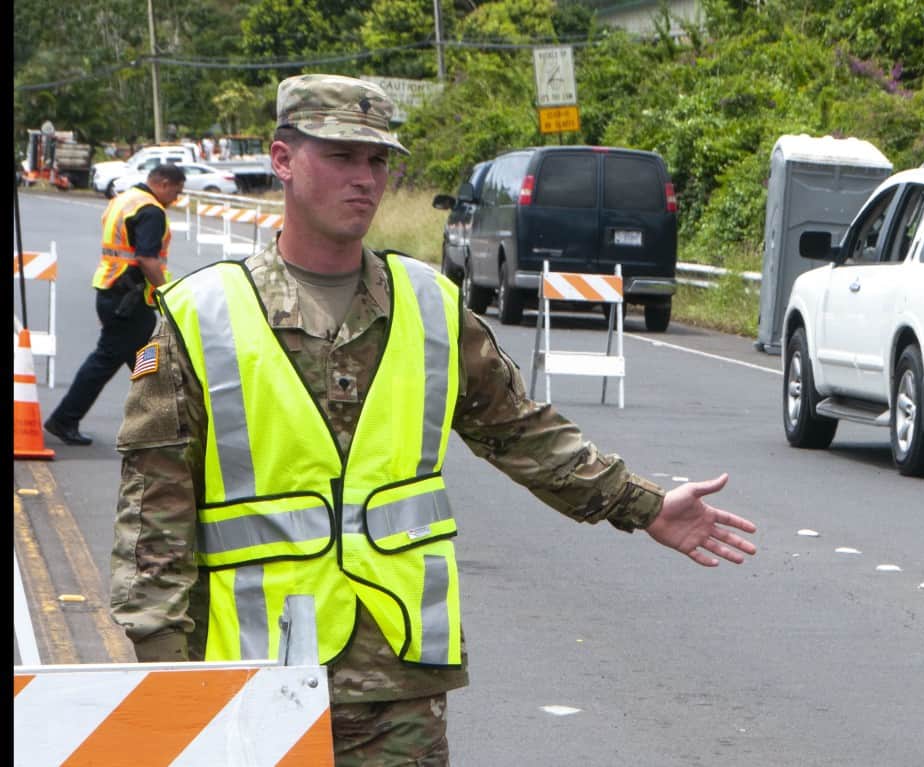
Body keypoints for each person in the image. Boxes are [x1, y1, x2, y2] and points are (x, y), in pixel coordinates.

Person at [109, 74, 758, 766]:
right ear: (282, 159)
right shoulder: (201, 315)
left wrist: (645, 504)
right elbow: (155, 523)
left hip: (398, 685)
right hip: (252, 677)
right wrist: (170, 686)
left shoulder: (429, 306)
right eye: (340, 157)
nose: (365, 179)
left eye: (378, 161)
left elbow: (524, 433)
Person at [44, 163, 185, 446]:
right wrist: (167, 292)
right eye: (177, 192)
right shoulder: (151, 211)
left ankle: (163, 422)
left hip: (113, 292)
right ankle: (65, 419)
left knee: (145, 362)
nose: (176, 199)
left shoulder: (124, 199)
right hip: (129, 301)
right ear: (165, 184)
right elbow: (147, 258)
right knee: (106, 362)